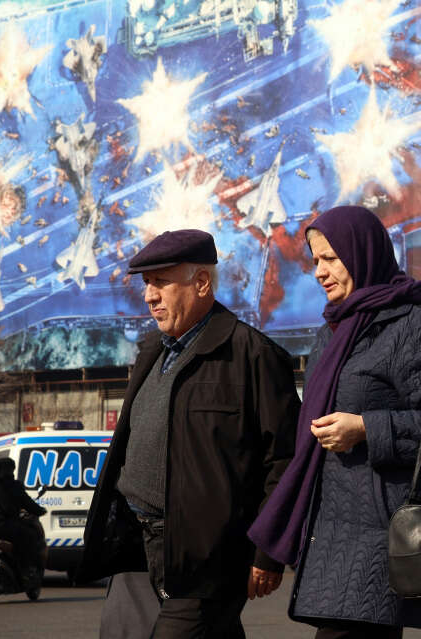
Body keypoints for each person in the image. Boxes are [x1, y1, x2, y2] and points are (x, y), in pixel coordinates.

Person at [249, 205, 421, 639]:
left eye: (331, 258)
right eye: (315, 260)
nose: (320, 271)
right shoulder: (333, 332)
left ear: (363, 252)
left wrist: (368, 429)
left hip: (377, 542)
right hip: (329, 539)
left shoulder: (413, 327)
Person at [78, 229, 301, 639]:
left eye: (160, 282)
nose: (149, 296)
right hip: (138, 552)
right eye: (146, 284)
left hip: (205, 558)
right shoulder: (152, 352)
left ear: (200, 283)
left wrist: (268, 553)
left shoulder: (253, 355)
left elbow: (284, 461)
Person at [0, 458, 47, 572]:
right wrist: (40, 510)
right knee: (29, 536)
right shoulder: (11, 485)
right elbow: (27, 503)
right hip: (4, 524)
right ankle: (26, 569)